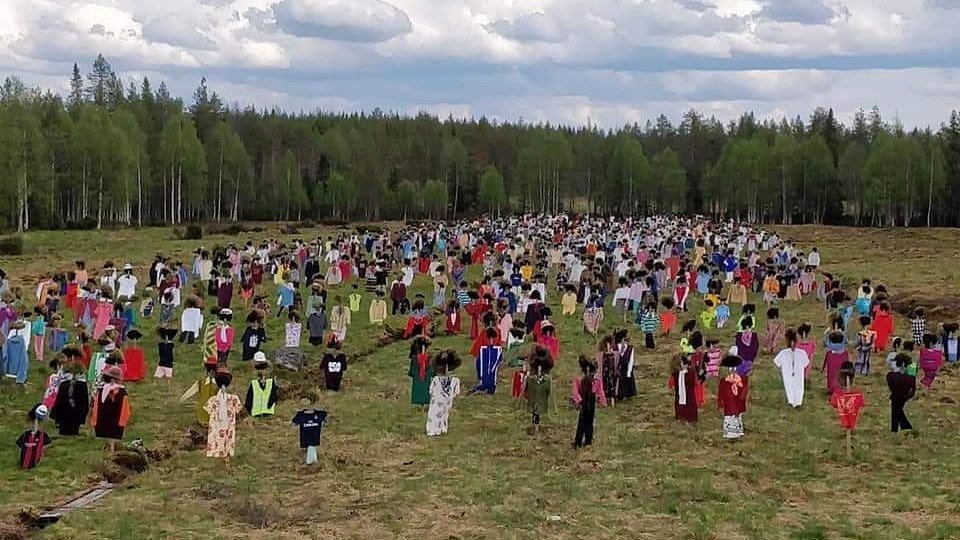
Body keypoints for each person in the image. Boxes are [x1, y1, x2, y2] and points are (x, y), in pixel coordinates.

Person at [204, 366, 242, 460]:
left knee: (216, 440)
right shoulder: (234, 399)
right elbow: (239, 410)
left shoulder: (212, 400)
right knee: (227, 442)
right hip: (229, 426)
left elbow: (207, 409)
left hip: (216, 427)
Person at [91, 365, 131, 454]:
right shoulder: (122, 392)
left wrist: (94, 422)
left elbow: (96, 408)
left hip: (102, 423)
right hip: (116, 425)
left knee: (105, 443)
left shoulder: (101, 390)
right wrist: (122, 423)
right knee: (112, 442)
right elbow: (125, 410)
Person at [426, 349, 462, 437]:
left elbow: (430, 390)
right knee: (445, 414)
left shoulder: (436, 379)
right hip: (448, 401)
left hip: (437, 400)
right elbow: (456, 392)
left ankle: (433, 430)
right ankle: (443, 428)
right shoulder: (455, 380)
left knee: (434, 414)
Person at [773, 328, 810, 408]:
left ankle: (791, 401)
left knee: (789, 385)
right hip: (798, 373)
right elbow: (806, 363)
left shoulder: (783, 353)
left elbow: (777, 362)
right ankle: (798, 401)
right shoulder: (802, 353)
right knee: (799, 385)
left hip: (787, 374)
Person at [572, 355, 601, 448]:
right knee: (588, 422)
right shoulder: (594, 380)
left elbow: (575, 392)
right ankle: (587, 440)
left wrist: (578, 401)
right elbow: (598, 391)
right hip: (589, 401)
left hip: (584, 402)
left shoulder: (580, 379)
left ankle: (579, 441)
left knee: (582, 422)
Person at [717, 354, 748, 440]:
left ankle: (738, 433)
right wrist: (721, 404)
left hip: (738, 403)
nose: (733, 370)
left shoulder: (742, 380)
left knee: (737, 418)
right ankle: (731, 435)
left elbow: (744, 391)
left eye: (734, 368)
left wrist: (742, 398)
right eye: (731, 368)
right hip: (729, 404)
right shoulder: (724, 381)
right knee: (730, 418)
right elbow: (721, 393)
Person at [887, 353, 916, 434]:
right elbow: (912, 392)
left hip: (896, 397)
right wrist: (905, 397)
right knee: (898, 410)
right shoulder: (911, 378)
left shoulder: (891, 376)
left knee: (896, 410)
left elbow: (891, 386)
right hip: (902, 398)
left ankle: (900, 428)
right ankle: (903, 427)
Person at [669, 354, 698, 423]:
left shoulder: (691, 371)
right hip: (680, 393)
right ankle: (680, 416)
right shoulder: (677, 373)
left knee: (689, 405)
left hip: (688, 394)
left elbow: (691, 382)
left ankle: (690, 418)